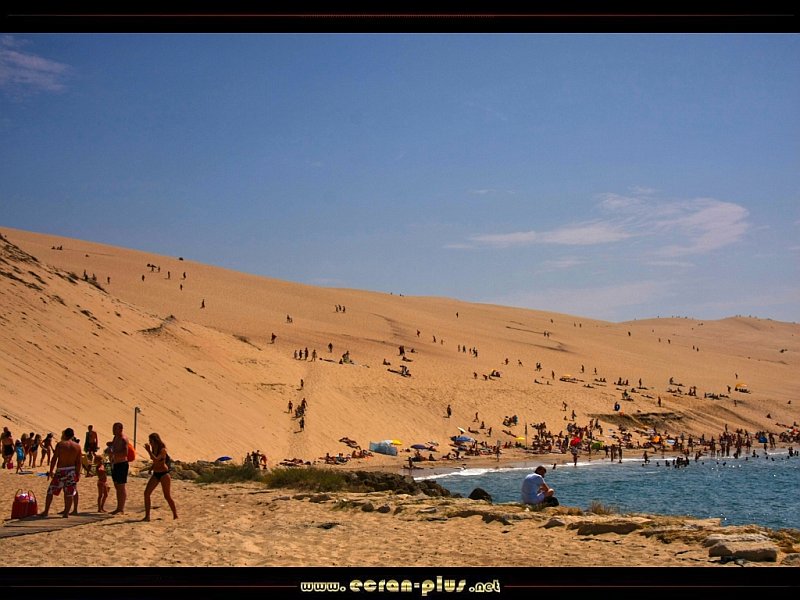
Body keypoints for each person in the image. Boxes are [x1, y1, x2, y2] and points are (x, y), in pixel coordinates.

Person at [41, 428, 82, 517]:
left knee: (50, 491)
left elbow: (54, 458)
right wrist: (78, 474)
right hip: (71, 471)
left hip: (61, 470)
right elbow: (79, 462)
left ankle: (46, 511)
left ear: (65, 435)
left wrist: (51, 471)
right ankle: (66, 513)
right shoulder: (77, 446)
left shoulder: (60, 444)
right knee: (69, 493)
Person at [142, 433, 178, 521]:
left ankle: (175, 514)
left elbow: (156, 459)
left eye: (151, 441)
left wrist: (148, 451)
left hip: (164, 474)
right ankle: (147, 516)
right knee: (146, 493)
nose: (150, 443)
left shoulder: (163, 450)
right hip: (156, 474)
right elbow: (155, 462)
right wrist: (151, 468)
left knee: (167, 496)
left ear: (156, 441)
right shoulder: (154, 449)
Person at [107, 422, 130, 514]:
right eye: (113, 428)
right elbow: (114, 446)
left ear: (120, 429)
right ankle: (118, 507)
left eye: (115, 428)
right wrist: (110, 445)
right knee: (117, 486)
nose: (113, 430)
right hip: (115, 464)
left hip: (122, 464)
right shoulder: (115, 437)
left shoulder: (123, 439)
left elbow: (125, 453)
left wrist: (113, 453)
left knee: (121, 486)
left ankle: (121, 508)